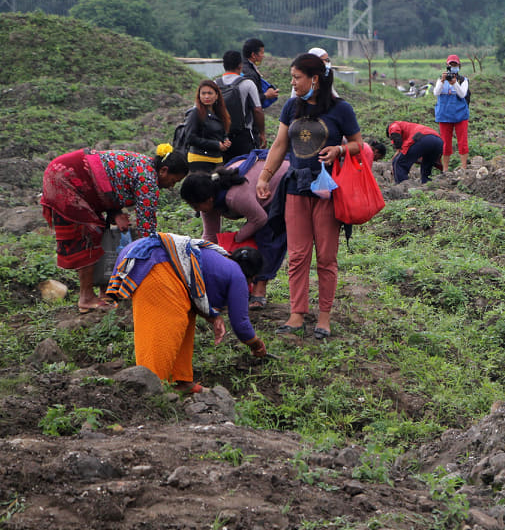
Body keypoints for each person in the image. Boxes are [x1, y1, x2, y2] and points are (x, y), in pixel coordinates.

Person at [257, 53, 363, 340]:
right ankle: (296, 313)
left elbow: (358, 144)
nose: (293, 82)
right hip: (295, 188)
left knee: (326, 257)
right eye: (292, 77)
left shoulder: (341, 110)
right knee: (298, 255)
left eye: (296, 77)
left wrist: (339, 150)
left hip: (326, 192)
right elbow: (280, 145)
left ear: (314, 79)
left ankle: (325, 316)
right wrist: (265, 176)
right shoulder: (291, 107)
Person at [106, 233, 268, 394]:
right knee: (161, 330)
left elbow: (196, 296)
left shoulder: (221, 260)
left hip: (148, 255)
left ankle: (180, 380)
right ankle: (151, 389)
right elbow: (241, 324)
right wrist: (256, 344)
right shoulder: (238, 275)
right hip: (156, 263)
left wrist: (212, 317)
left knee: (185, 316)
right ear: (252, 277)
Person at [40, 144, 189, 313]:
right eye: (173, 181)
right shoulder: (148, 180)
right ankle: (86, 297)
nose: (171, 186)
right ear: (164, 170)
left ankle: (106, 291)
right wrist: (154, 264)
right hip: (65, 178)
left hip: (67, 174)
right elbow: (147, 230)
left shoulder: (144, 166)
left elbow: (108, 183)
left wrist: (116, 213)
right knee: (88, 233)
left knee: (101, 230)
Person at [180, 151, 291, 310]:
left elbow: (260, 219)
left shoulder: (235, 196)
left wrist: (237, 239)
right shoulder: (208, 200)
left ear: (209, 199)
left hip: (279, 178)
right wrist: (200, 260)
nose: (196, 210)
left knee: (267, 236)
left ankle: (259, 290)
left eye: (196, 206)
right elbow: (210, 236)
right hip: (256, 190)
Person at [218, 50, 263, 160]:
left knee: (223, 171)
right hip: (244, 136)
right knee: (245, 169)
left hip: (221, 137)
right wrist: (262, 133)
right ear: (240, 65)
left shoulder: (215, 84)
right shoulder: (247, 84)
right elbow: (257, 110)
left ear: (224, 65)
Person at [183, 80, 232, 172]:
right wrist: (216, 144)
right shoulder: (195, 113)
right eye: (203, 93)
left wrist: (225, 141)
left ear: (217, 95)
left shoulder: (220, 113)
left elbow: (220, 133)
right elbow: (190, 138)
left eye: (210, 93)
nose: (206, 96)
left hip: (217, 159)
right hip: (199, 159)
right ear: (199, 95)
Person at [433, 54, 470, 171]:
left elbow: (462, 94)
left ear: (459, 66)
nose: (453, 67)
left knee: (462, 141)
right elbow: (436, 92)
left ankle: (464, 167)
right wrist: (443, 81)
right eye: (451, 65)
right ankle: (445, 169)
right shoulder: (440, 79)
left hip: (460, 114)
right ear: (447, 66)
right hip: (444, 115)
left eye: (455, 65)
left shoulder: (463, 80)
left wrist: (454, 83)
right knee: (445, 143)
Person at [376, 120, 444, 184]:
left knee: (398, 163)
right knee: (427, 165)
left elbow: (395, 131)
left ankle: (403, 186)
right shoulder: (409, 126)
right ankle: (426, 184)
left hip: (422, 138)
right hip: (438, 141)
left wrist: (398, 149)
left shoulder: (394, 125)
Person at [241, 37, 279, 109]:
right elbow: (249, 99)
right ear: (253, 55)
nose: (263, 56)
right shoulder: (250, 74)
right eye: (262, 53)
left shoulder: (243, 66)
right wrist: (266, 95)